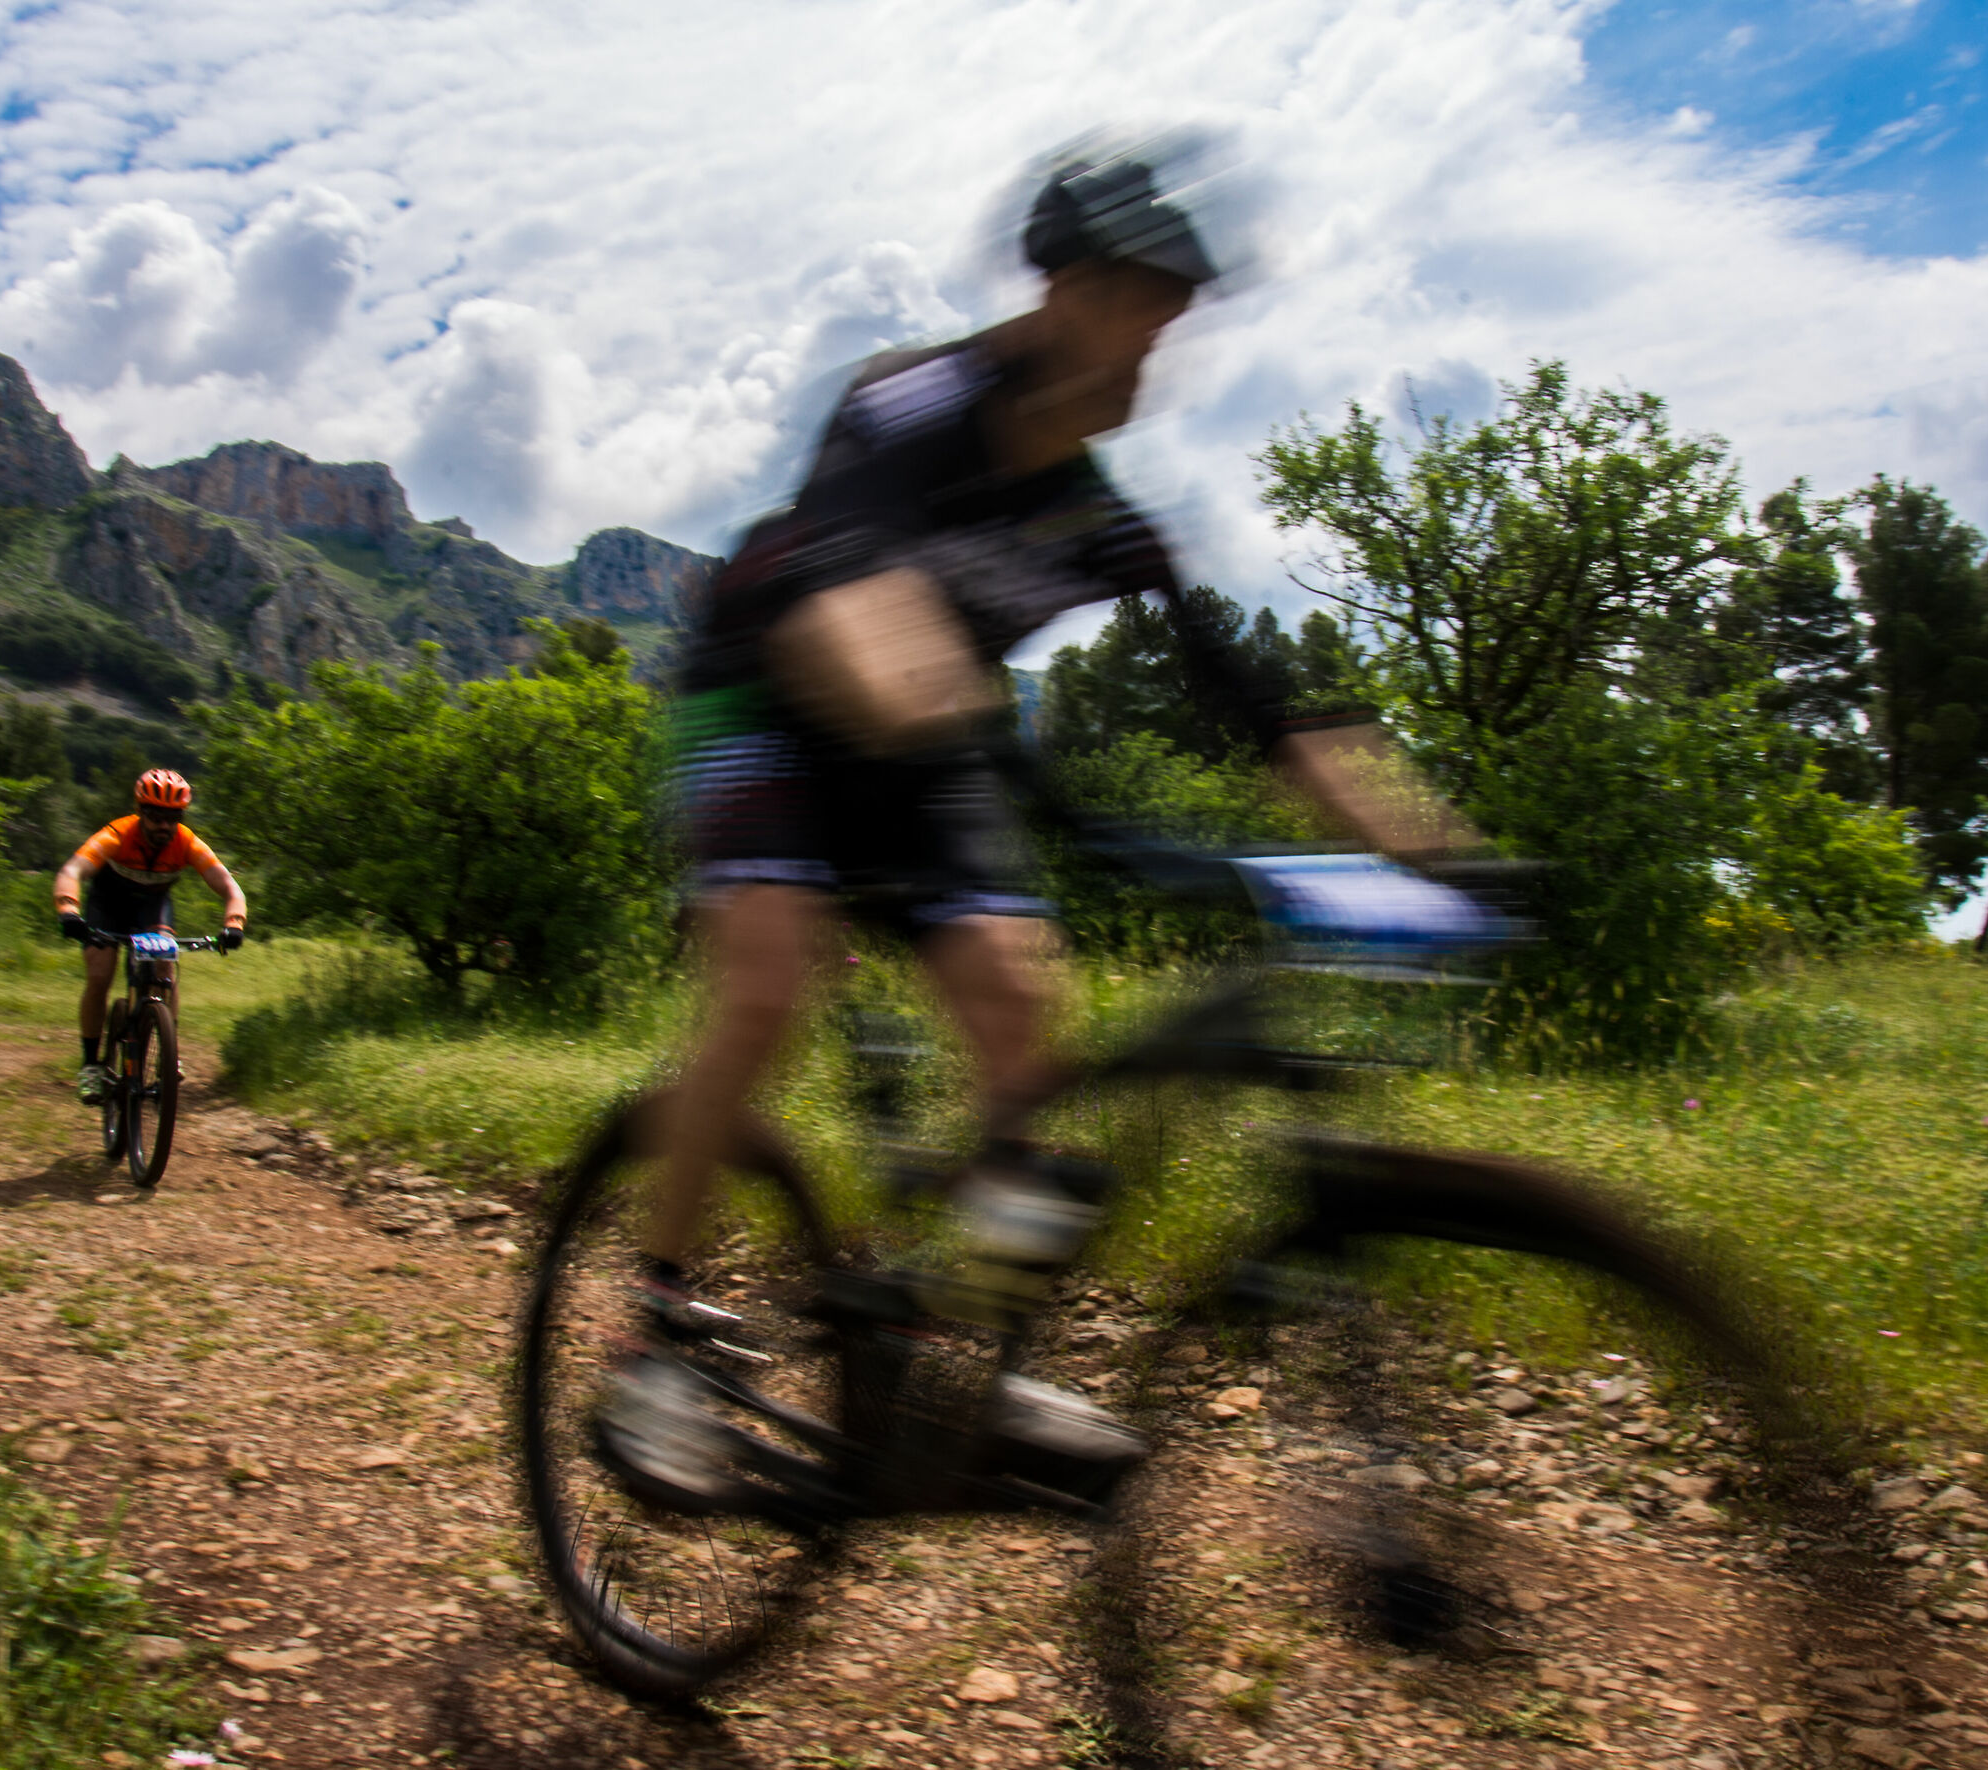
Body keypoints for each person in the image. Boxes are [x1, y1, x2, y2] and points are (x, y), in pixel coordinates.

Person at [600, 142, 1479, 1511]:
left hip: (932, 737)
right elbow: (842, 572)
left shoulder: (1101, 512)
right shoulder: (911, 403)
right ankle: (652, 1334)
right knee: (769, 980)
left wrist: (1443, 850)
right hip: (762, 704)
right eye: (1141, 303)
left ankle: (974, 1365)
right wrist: (920, 682)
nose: (1158, 344)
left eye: (1176, 316)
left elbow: (1267, 708)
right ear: (1062, 287)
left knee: (1024, 1015)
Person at [53, 769, 248, 1104]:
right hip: (107, 907)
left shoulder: (186, 842)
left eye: (172, 817)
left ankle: (166, 1053)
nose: (164, 825)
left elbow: (230, 887)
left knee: (165, 971)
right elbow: (72, 871)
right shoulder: (117, 834)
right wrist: (69, 911)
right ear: (140, 812)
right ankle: (90, 1066)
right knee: (99, 974)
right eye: (156, 816)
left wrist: (234, 923)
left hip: (152, 911)